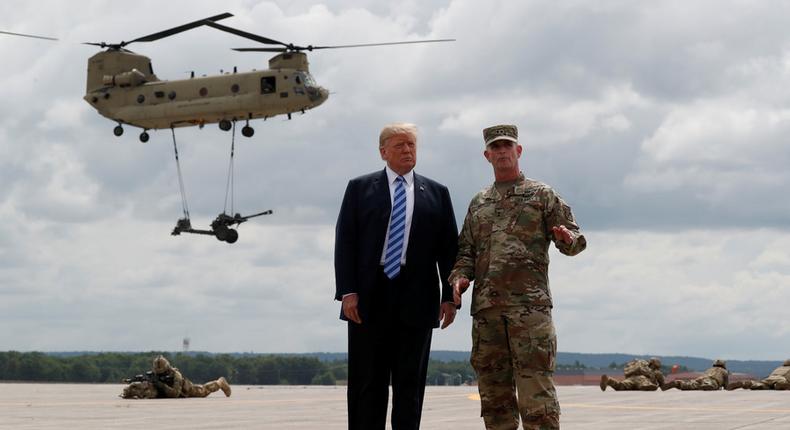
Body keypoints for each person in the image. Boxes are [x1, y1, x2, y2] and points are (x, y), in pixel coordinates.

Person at [450, 124, 586, 430]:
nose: (501, 152)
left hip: (530, 311)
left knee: (536, 397)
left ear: (518, 151)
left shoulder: (541, 195)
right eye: (495, 147)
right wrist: (458, 279)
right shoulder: (479, 203)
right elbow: (465, 253)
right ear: (487, 155)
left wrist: (566, 239)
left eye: (507, 146)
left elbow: (575, 240)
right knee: (495, 398)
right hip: (487, 314)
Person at [334, 122, 459, 430]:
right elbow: (345, 240)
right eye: (400, 145)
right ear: (383, 152)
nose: (407, 150)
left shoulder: (437, 193)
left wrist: (449, 297)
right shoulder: (359, 188)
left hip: (417, 298)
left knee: (410, 385)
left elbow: (448, 249)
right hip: (368, 296)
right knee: (367, 383)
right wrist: (348, 291)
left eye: (412, 145)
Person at [150, 355, 232, 398]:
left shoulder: (176, 375)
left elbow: (175, 394)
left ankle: (220, 382)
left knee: (204, 391)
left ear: (167, 368)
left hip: (189, 391)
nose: (160, 374)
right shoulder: (156, 374)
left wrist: (160, 385)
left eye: (162, 372)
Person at [600, 357, 664, 391]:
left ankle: (609, 380)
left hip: (631, 378)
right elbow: (663, 385)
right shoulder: (656, 372)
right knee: (646, 385)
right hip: (642, 379)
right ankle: (646, 385)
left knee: (621, 386)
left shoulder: (641, 364)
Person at [662, 359, 729, 391]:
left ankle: (679, 383)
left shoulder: (709, 369)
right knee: (709, 386)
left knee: (690, 385)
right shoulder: (724, 371)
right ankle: (706, 386)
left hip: (701, 378)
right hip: (712, 381)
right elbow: (726, 386)